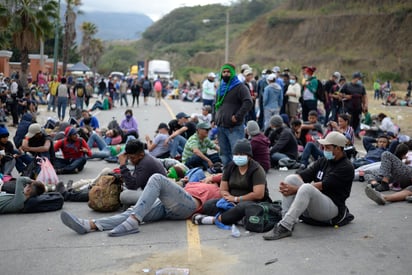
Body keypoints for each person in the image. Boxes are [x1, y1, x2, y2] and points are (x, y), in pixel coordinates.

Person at [59, 173, 222, 236]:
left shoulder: (222, 190)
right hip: (170, 204)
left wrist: (215, 179)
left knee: (157, 178)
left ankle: (133, 222)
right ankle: (90, 225)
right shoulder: (202, 178)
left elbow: (229, 174)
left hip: (188, 206)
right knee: (133, 211)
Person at [263, 131, 354, 240]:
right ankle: (286, 220)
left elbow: (322, 186)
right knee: (290, 178)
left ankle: (284, 227)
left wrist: (294, 190)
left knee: (307, 188)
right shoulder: (323, 161)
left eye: (328, 147)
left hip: (332, 209)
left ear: (338, 148)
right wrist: (288, 186)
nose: (324, 150)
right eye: (324, 147)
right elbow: (303, 175)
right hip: (316, 205)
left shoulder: (346, 167)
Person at [192, 139, 270, 227]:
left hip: (251, 202)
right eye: (236, 154)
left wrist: (237, 199)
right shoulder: (230, 166)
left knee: (242, 208)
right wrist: (228, 198)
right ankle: (236, 219)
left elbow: (258, 194)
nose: (238, 156)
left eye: (242, 154)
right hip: (231, 201)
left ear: (249, 156)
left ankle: (214, 220)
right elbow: (223, 189)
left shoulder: (256, 169)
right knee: (208, 205)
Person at [214, 63, 253, 166]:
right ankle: (227, 176)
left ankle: (237, 176)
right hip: (221, 126)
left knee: (236, 153)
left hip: (234, 127)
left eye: (228, 72)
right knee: (224, 154)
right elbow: (216, 104)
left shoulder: (240, 87)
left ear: (232, 73)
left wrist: (237, 116)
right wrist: (215, 119)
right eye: (224, 72)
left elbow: (248, 102)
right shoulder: (221, 88)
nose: (226, 74)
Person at [117, 139, 167, 206]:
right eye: (129, 158)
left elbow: (132, 186)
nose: (131, 160)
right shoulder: (142, 158)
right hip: (148, 189)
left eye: (132, 158)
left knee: (124, 195)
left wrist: (123, 165)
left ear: (141, 154)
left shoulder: (145, 163)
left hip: (159, 197)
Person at [340, 72, 368, 138]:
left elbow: (364, 96)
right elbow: (339, 94)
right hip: (349, 107)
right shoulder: (347, 85)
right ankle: (348, 134)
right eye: (359, 78)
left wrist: (365, 105)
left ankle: (356, 133)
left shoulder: (361, 87)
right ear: (355, 78)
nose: (360, 80)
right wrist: (346, 96)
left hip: (358, 107)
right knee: (349, 121)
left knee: (357, 121)